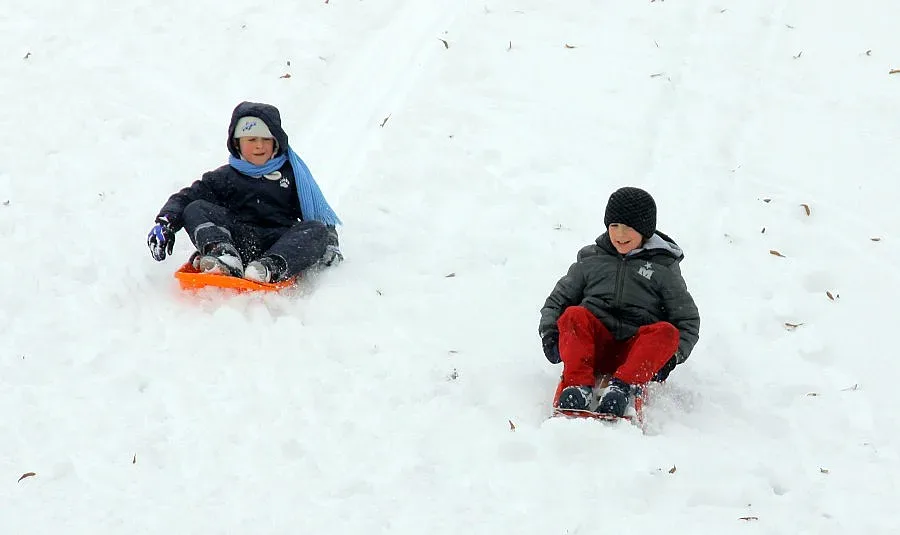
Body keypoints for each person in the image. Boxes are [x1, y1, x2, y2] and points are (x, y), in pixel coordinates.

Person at [538, 187, 700, 417]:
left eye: (629, 227)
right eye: (614, 226)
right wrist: (550, 334)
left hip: (636, 353)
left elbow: (687, 320)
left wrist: (671, 359)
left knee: (666, 331)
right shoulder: (591, 260)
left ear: (645, 231)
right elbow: (557, 301)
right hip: (592, 347)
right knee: (574, 314)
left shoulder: (662, 268)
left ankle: (623, 387)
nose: (620, 234)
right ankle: (578, 385)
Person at [146, 101, 342, 283]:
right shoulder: (225, 176)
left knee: (316, 229)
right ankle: (224, 256)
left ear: (276, 143)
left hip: (279, 242)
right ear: (237, 143)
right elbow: (186, 197)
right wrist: (165, 223)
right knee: (195, 208)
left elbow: (320, 216)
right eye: (251, 139)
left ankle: (270, 267)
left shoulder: (292, 176)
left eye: (266, 139)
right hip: (238, 240)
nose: (259, 145)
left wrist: (330, 242)